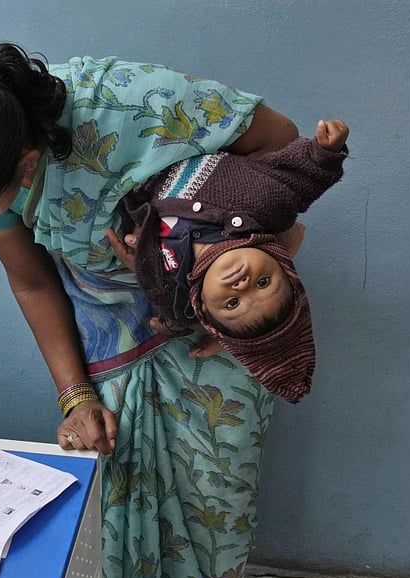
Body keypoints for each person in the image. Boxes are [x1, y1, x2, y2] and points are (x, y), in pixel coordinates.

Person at [0, 43, 306, 578]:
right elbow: (33, 281)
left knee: (211, 517)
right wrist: (75, 394)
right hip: (108, 351)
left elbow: (284, 149)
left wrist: (238, 281)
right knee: (114, 522)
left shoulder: (140, 104)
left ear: (28, 161)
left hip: (214, 339)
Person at [110, 119, 350, 403]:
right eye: (263, 282)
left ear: (202, 305)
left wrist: (137, 256)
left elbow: (172, 306)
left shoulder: (170, 283)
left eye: (233, 302)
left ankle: (222, 337)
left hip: (132, 162)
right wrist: (327, 151)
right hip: (183, 131)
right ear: (282, 263)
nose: (242, 285)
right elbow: (300, 180)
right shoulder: (265, 204)